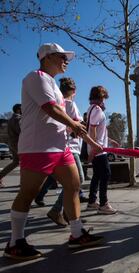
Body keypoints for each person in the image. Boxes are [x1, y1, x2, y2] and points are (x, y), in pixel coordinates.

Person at [3, 43, 104, 260]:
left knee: (74, 185)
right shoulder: (35, 77)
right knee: (28, 193)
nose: (66, 61)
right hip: (37, 147)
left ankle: (77, 234)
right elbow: (50, 108)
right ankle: (15, 242)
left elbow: (63, 117)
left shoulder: (54, 86)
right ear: (46, 58)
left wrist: (90, 141)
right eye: (62, 56)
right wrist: (74, 125)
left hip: (60, 146)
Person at [44, 77, 91, 226]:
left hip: (63, 146)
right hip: (71, 148)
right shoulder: (70, 104)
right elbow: (75, 128)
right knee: (78, 180)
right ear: (74, 91)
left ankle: (67, 213)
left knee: (71, 182)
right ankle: (57, 210)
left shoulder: (60, 104)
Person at [85, 85, 119, 214]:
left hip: (97, 146)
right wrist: (94, 147)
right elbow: (93, 129)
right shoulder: (98, 109)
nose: (105, 100)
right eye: (104, 97)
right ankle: (103, 204)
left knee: (97, 175)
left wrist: (109, 141)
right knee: (106, 174)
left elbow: (98, 130)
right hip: (99, 149)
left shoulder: (91, 108)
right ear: (101, 96)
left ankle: (92, 201)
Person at [0, 104, 21, 188]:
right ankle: (24, 182)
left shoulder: (11, 119)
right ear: (18, 110)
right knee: (25, 162)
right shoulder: (18, 119)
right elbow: (21, 131)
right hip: (18, 144)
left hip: (12, 143)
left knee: (15, 162)